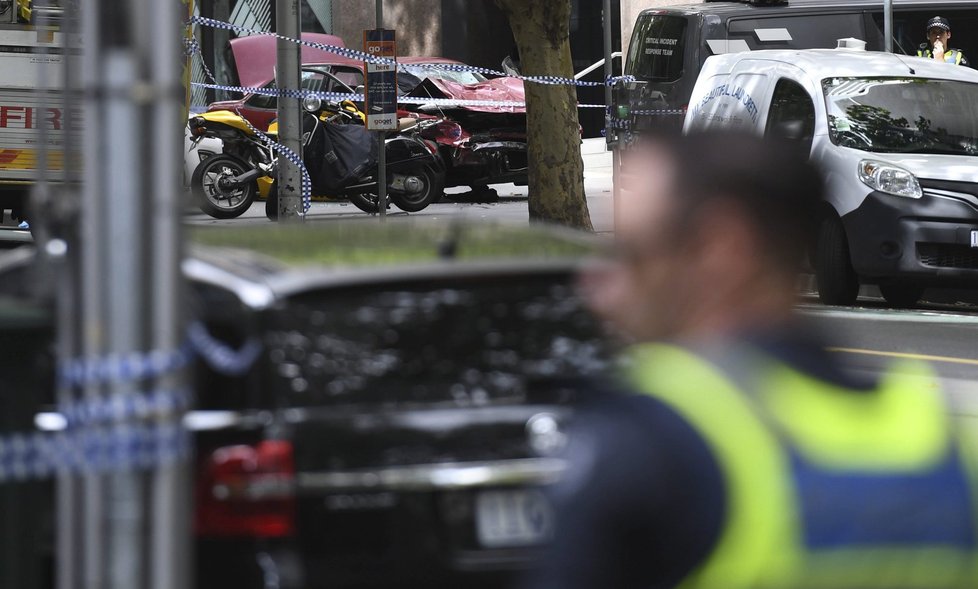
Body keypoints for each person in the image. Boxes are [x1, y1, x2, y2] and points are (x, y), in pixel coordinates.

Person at [525, 132, 978, 589]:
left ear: (722, 246)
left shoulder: (647, 441)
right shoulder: (952, 452)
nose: (598, 289)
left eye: (635, 254)